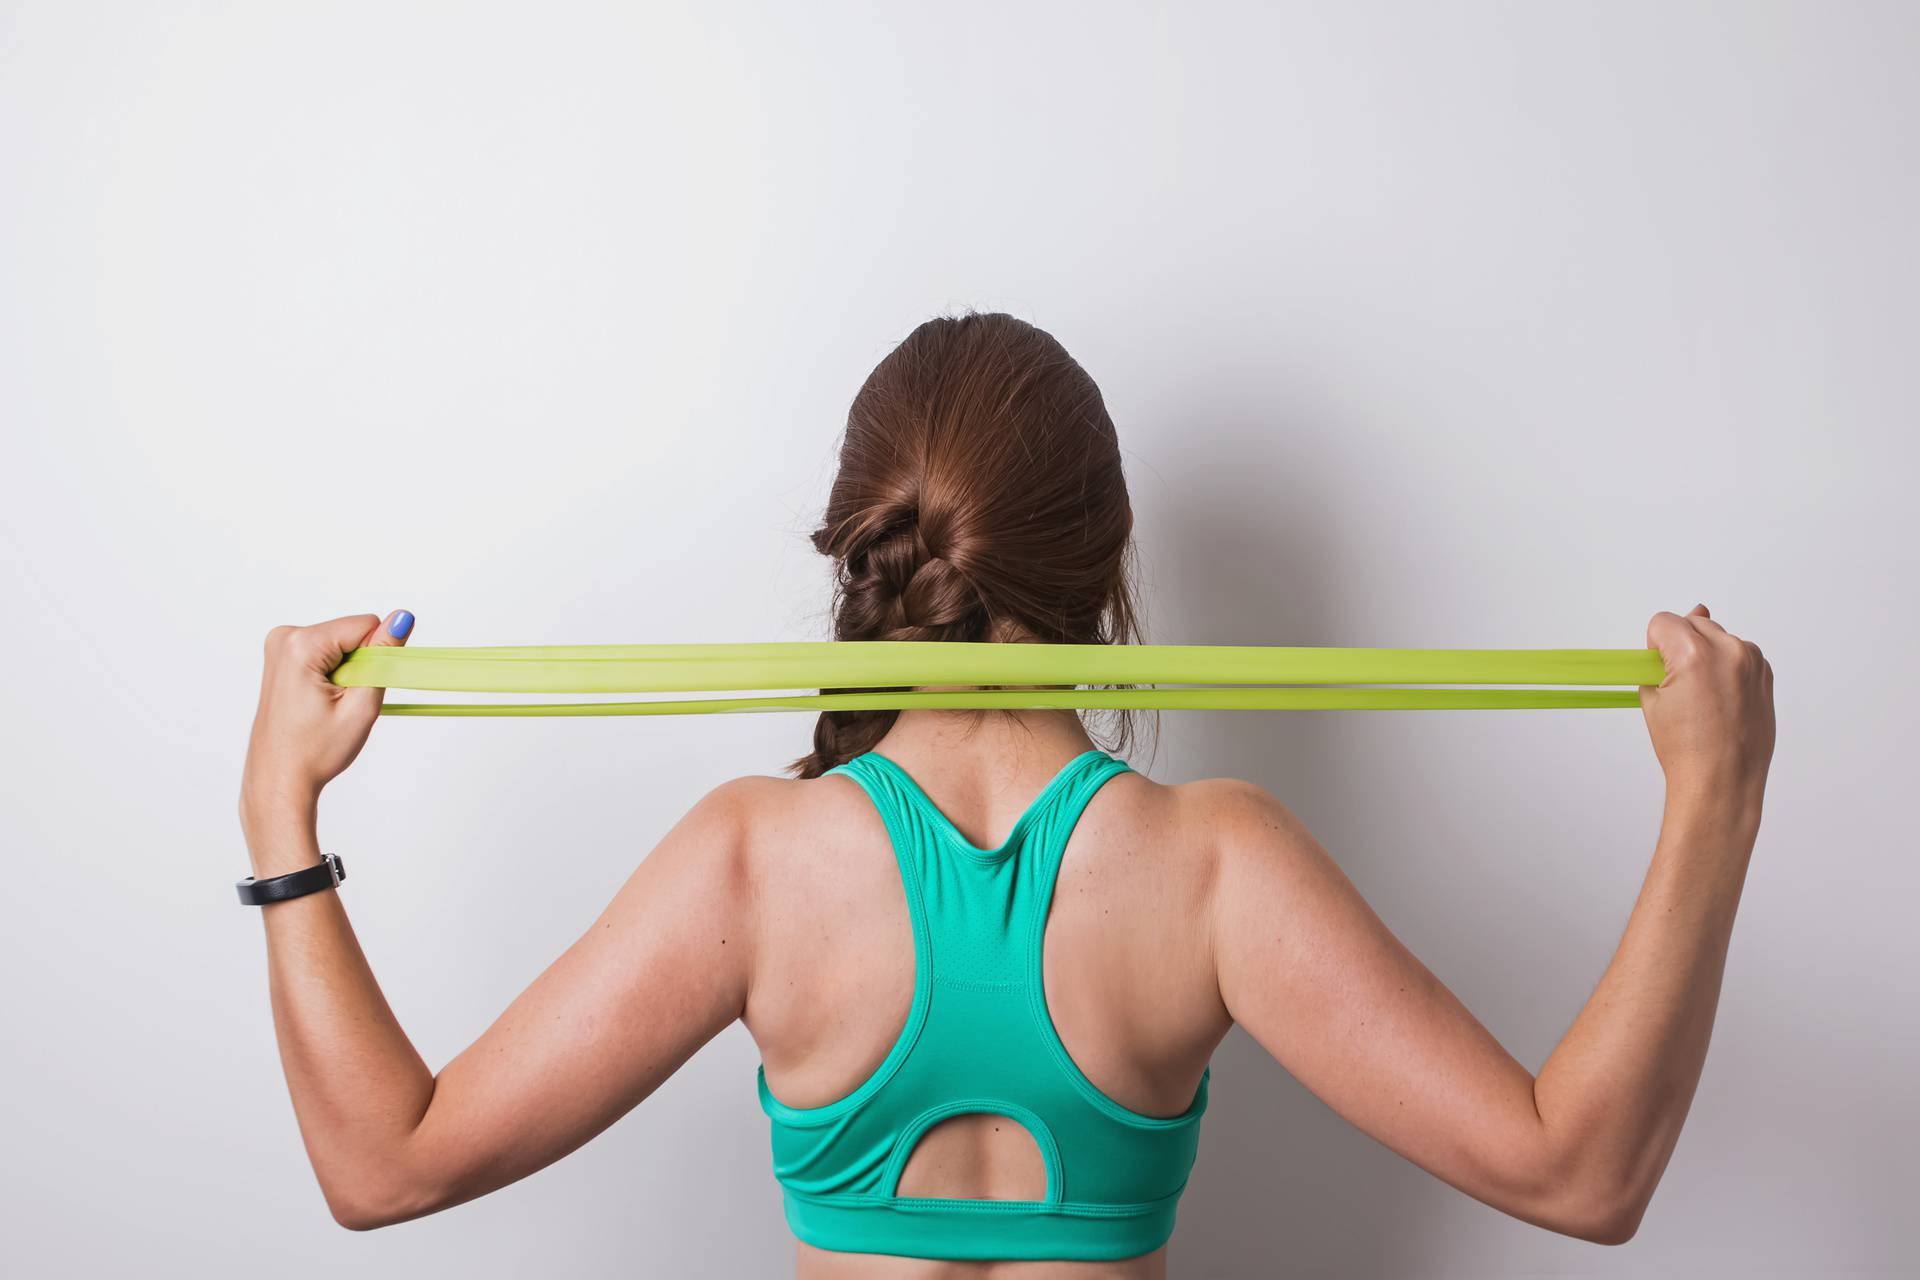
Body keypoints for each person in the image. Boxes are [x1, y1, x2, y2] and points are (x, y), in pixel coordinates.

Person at [239, 313, 1774, 1278]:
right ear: (1107, 571)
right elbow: (1580, 1174)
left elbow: (386, 1166)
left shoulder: (754, 866)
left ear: (864, 555)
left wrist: (280, 826)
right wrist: (1714, 802)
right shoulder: (1214, 869)